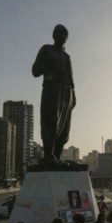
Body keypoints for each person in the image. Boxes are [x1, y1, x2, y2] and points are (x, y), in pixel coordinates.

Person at [32, 24, 76, 162]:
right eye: (59, 33)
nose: (62, 36)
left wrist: (73, 95)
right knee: (49, 121)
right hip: (51, 89)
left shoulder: (66, 56)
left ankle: (57, 156)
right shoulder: (46, 49)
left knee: (65, 127)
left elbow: (70, 77)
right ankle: (48, 155)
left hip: (66, 92)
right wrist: (47, 62)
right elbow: (35, 71)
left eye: (65, 34)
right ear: (53, 35)